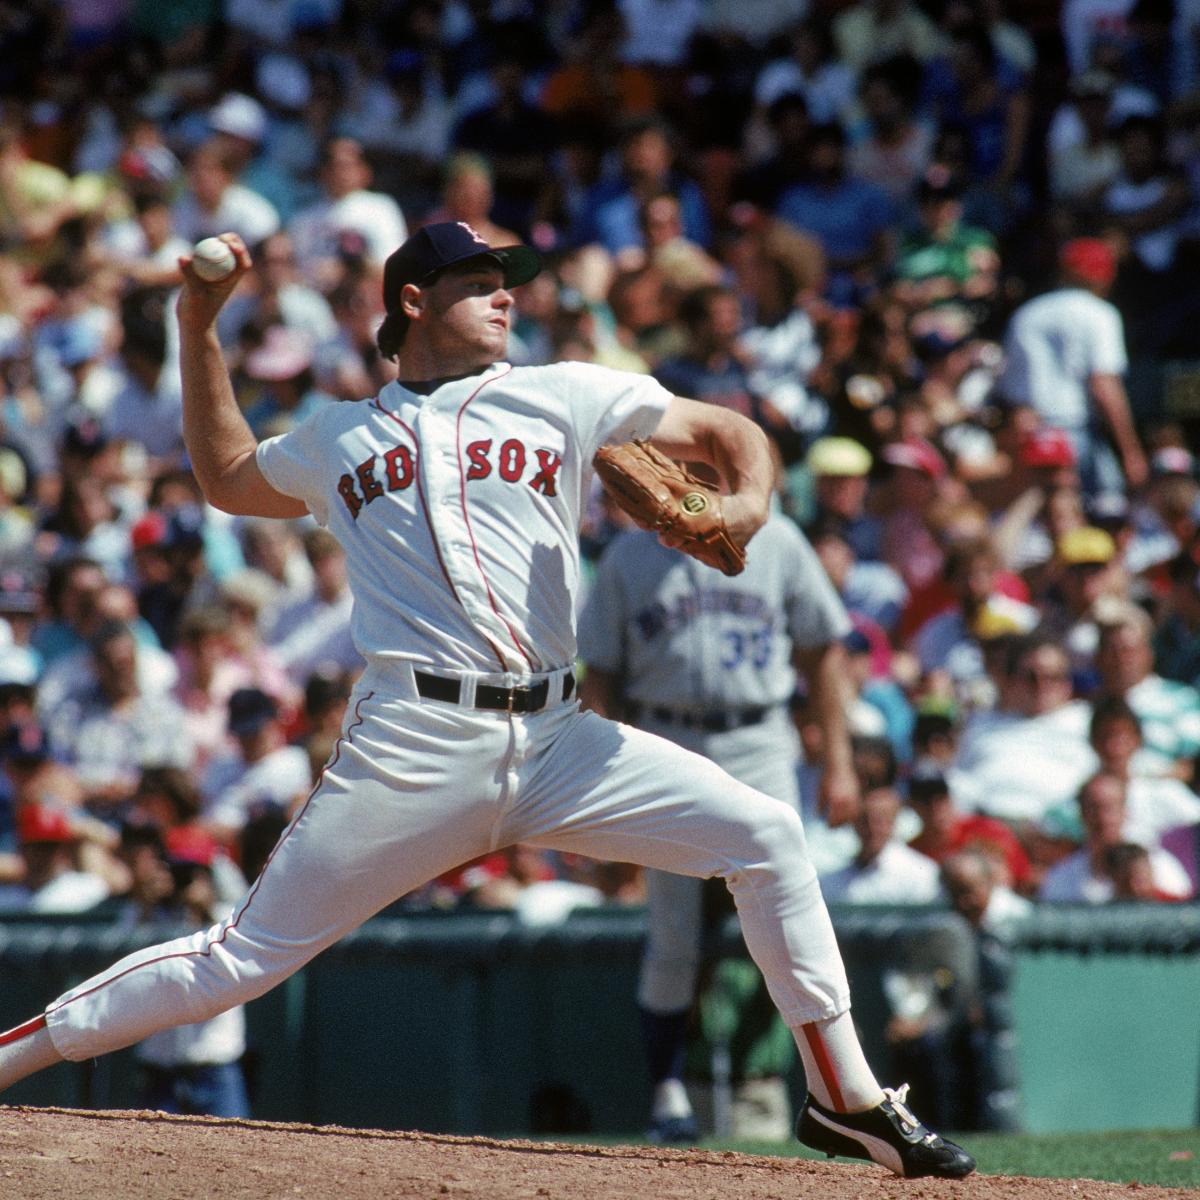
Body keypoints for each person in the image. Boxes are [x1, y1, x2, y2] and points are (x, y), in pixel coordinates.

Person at [0, 223, 974, 1180]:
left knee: (765, 834)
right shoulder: (340, 435)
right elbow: (225, 478)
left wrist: (748, 505)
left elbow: (728, 432)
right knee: (239, 961)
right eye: (478, 279)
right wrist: (201, 328)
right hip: (415, 745)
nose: (506, 293)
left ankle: (845, 1099)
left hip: (559, 740)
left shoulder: (563, 394)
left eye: (508, 279)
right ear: (414, 302)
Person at [577, 500, 859, 1144]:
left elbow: (822, 654)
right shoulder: (629, 553)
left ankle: (823, 1090)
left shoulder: (779, 539)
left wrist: (839, 762)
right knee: (674, 935)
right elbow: (600, 678)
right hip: (663, 737)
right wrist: (607, 784)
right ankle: (668, 1091)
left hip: (759, 739)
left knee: (790, 922)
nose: (693, 477)